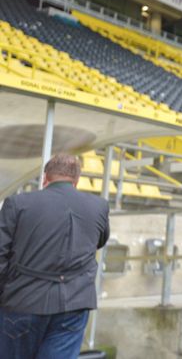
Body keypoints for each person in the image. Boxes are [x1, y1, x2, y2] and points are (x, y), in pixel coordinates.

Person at [0, 153, 110, 358]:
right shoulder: (99, 207)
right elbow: (100, 241)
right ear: (76, 181)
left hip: (22, 302)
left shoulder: (16, 203)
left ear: (45, 178)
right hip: (74, 305)